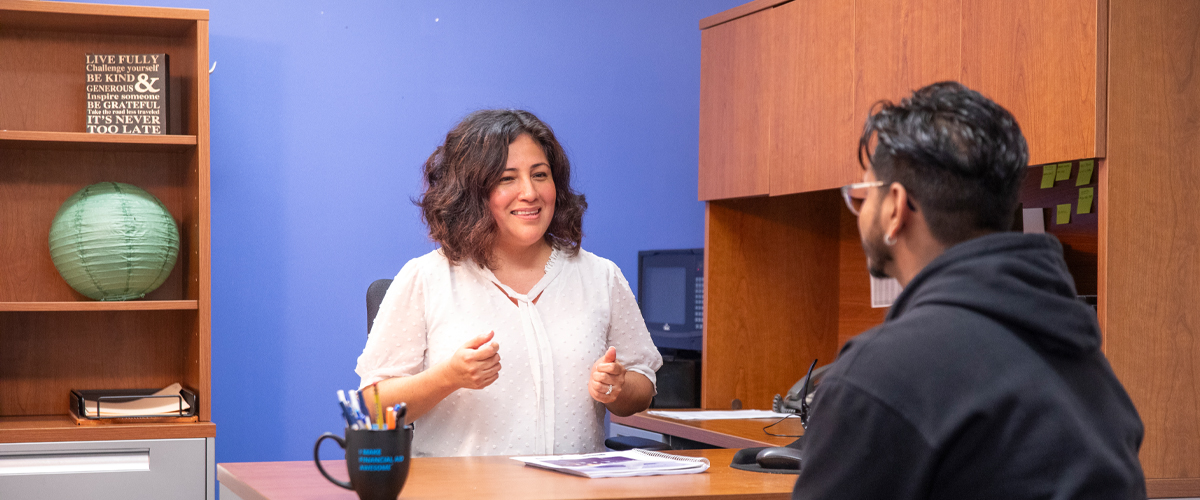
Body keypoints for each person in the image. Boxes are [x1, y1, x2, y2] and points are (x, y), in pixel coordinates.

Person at [793, 82, 1146, 499]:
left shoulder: (879, 376)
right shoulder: (1091, 370)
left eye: (863, 193)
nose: (859, 209)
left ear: (895, 206)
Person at [355, 109, 662, 457]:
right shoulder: (426, 278)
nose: (530, 193)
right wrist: (448, 377)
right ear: (471, 191)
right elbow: (372, 406)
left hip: (575, 492)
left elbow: (643, 381)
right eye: (507, 178)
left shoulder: (600, 276)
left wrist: (619, 389)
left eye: (540, 175)